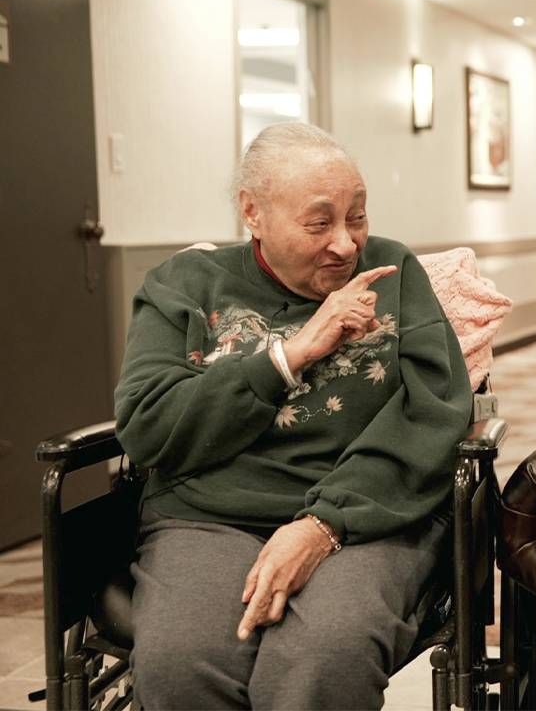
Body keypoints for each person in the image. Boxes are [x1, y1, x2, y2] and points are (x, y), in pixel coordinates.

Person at [113, 122, 473, 709]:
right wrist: (289, 356)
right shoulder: (185, 285)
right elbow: (151, 424)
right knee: (181, 666)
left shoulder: (394, 272)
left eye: (356, 216)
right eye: (319, 222)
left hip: (365, 517)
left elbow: (433, 411)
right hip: (209, 517)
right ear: (252, 213)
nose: (346, 244)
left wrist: (322, 526)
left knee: (322, 657)